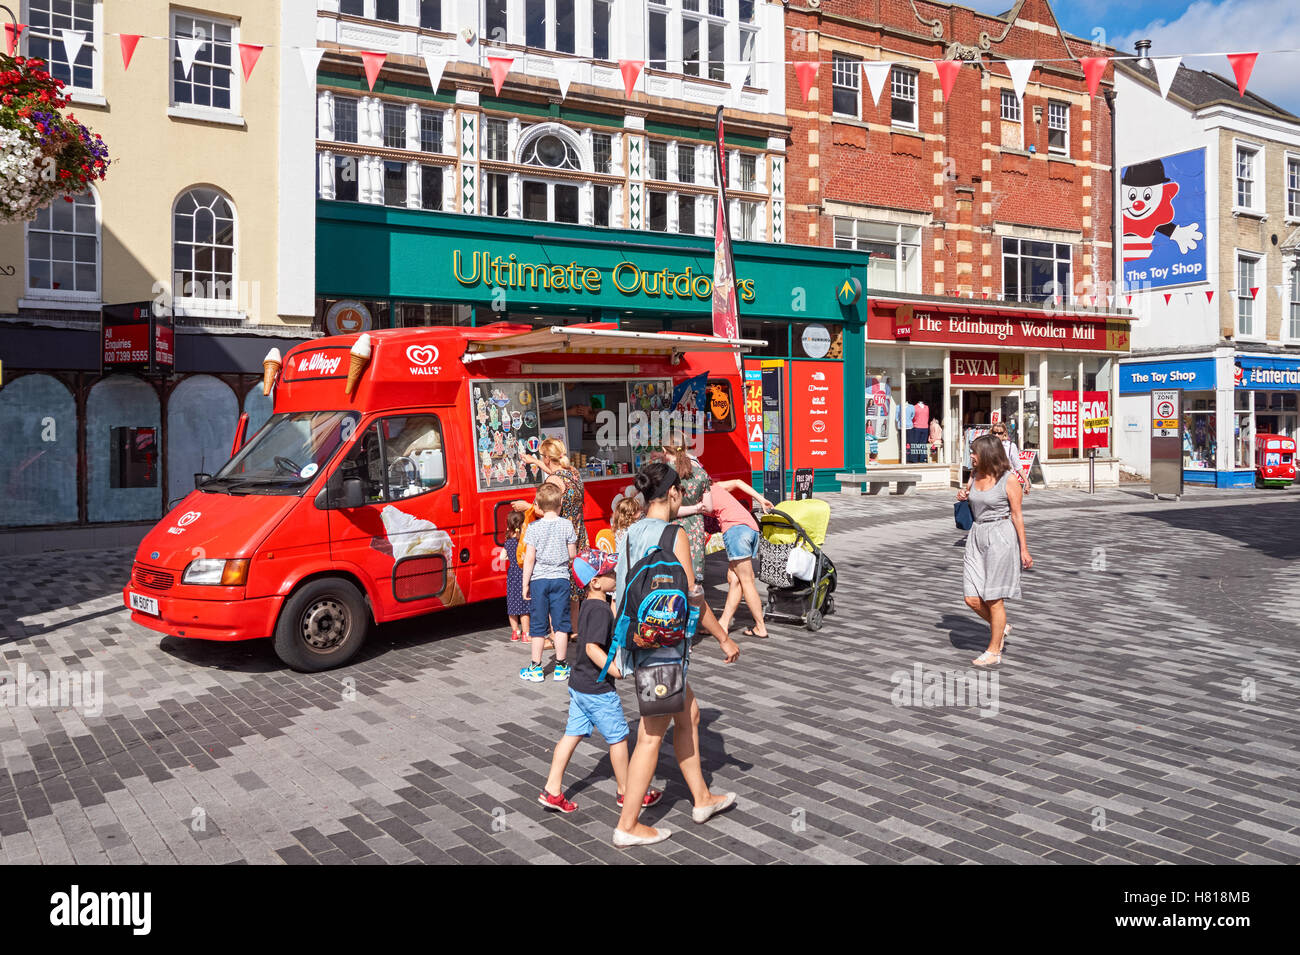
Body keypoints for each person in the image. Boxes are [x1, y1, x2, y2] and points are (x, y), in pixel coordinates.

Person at [612, 463, 740, 848]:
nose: (682, 497)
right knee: (650, 736)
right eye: (680, 492)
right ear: (670, 494)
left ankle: (701, 799)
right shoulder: (675, 534)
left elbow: (621, 595)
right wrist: (723, 638)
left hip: (641, 643)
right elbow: (694, 599)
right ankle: (628, 824)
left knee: (691, 714)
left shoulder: (629, 534)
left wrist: (620, 649)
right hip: (665, 651)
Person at [538, 548, 664, 814]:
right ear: (595, 581)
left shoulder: (591, 605)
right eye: (609, 572)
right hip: (597, 688)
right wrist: (615, 670)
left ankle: (552, 789)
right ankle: (626, 791)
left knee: (571, 736)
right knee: (618, 738)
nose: (615, 574)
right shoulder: (599, 611)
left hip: (579, 684)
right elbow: (592, 648)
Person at [956, 435, 1033, 667]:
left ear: (987, 454)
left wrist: (1024, 549)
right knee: (971, 597)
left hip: (1001, 536)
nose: (971, 455)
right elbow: (969, 498)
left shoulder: (1009, 480)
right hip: (976, 535)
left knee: (993, 598)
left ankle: (993, 650)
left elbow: (1017, 515)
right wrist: (962, 496)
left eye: (974, 451)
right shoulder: (974, 474)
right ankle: (1001, 627)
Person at [517, 437, 588, 624]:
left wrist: (526, 507)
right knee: (574, 587)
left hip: (561, 539)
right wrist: (535, 461)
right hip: (579, 533)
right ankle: (575, 629)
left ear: (548, 457)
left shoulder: (552, 481)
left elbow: (543, 510)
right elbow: (555, 472)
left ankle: (556, 632)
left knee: (557, 589)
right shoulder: (573, 472)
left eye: (542, 457)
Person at [693, 479, 773, 639]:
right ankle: (723, 623)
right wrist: (761, 499)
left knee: (746, 580)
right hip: (750, 527)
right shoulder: (713, 486)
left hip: (735, 530)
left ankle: (760, 627)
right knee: (734, 578)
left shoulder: (695, 492)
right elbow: (738, 482)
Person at [520, 482, 578, 683]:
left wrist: (525, 584)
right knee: (561, 623)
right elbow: (572, 554)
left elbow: (529, 559)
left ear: (538, 505)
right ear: (560, 503)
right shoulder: (567, 525)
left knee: (538, 624)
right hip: (560, 579)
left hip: (539, 580)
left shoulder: (534, 528)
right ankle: (561, 666)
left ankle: (536, 667)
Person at [657, 440, 711, 587]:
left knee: (673, 579)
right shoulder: (700, 473)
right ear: (685, 448)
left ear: (664, 449)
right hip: (695, 530)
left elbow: (665, 509)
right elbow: (709, 507)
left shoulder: (663, 474)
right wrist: (696, 508)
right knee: (694, 582)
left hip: (671, 530)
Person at [610, 495, 643, 606]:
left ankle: (614, 620)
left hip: (618, 566)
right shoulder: (633, 530)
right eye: (638, 510)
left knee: (616, 596)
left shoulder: (619, 530)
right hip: (629, 566)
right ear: (632, 514)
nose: (641, 511)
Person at [503, 510, 530, 642]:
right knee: (524, 608)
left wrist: (509, 556)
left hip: (512, 576)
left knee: (513, 606)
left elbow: (502, 557)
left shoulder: (508, 543)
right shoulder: (523, 544)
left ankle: (515, 632)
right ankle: (526, 634)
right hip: (523, 575)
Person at [991, 422, 1029, 493]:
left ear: (1004, 433)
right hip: (991, 481)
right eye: (994, 433)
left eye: (1000, 433)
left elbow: (1018, 466)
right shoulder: (988, 445)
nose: (996, 435)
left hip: (1006, 481)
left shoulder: (1010, 446)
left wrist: (1026, 482)